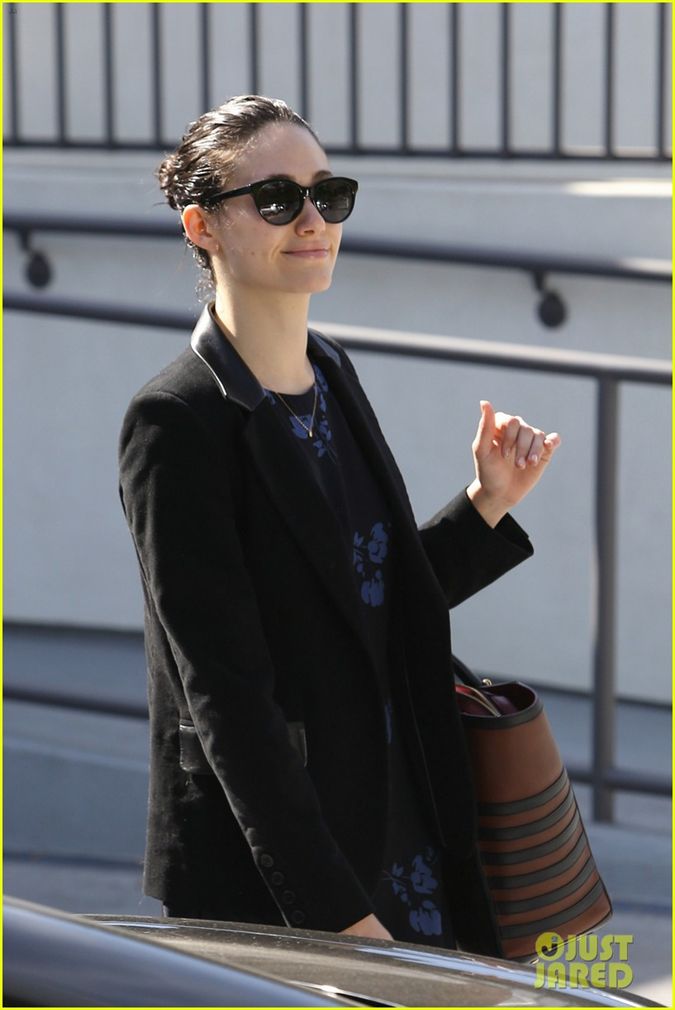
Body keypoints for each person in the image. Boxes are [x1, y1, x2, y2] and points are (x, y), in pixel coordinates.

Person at [118, 94, 561, 953]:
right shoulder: (176, 420)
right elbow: (226, 698)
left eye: (328, 193)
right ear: (201, 226)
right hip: (288, 868)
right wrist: (338, 917)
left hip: (403, 810)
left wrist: (486, 502)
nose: (313, 219)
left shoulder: (329, 370)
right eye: (276, 199)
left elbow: (370, 603)